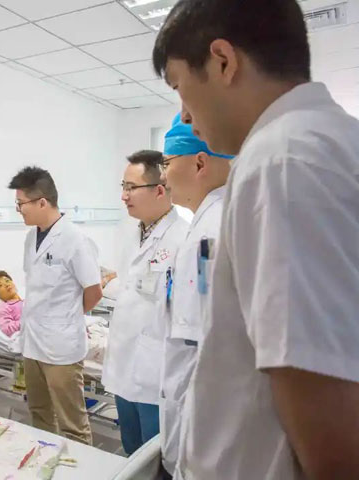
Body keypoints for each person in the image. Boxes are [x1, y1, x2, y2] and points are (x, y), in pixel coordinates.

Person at [152, 1, 359, 478]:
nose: (185, 116)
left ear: (223, 61)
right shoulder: (328, 141)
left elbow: (320, 400)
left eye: (180, 88)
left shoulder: (281, 162)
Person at [158, 114, 232, 478]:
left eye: (167, 163)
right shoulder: (209, 223)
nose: (163, 176)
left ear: (199, 163)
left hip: (202, 428)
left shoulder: (209, 237)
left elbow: (202, 346)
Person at [101, 150, 188, 456]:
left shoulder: (184, 239)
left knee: (155, 458)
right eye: (123, 187)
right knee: (131, 449)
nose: (123, 196)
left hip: (156, 372)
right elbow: (130, 287)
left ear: (160, 190)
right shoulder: (130, 232)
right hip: (123, 363)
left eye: (131, 187)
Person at [8, 166, 102, 445]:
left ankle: (82, 465)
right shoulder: (31, 238)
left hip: (61, 347)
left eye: (21, 204)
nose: (18, 210)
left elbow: (94, 291)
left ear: (42, 202)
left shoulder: (75, 239)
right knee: (39, 413)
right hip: (33, 343)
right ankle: (47, 460)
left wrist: (66, 317)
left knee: (72, 423)